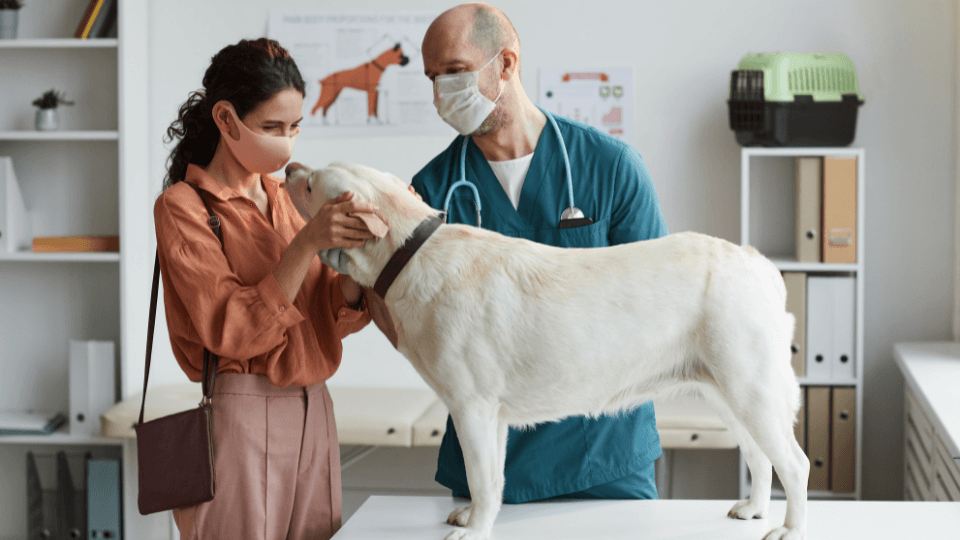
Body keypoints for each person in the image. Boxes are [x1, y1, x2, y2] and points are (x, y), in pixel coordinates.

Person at [411, 3, 669, 504]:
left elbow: (657, 299)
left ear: (506, 64)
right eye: (433, 77)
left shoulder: (609, 167)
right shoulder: (431, 192)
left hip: (603, 451)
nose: (442, 91)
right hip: (490, 463)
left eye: (456, 71)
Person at [155, 38, 378, 540]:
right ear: (227, 120)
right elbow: (230, 328)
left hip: (315, 408)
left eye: (296, 127)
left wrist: (359, 262)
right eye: (272, 127)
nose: (287, 142)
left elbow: (329, 317)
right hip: (243, 414)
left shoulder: (289, 197)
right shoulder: (183, 207)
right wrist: (306, 244)